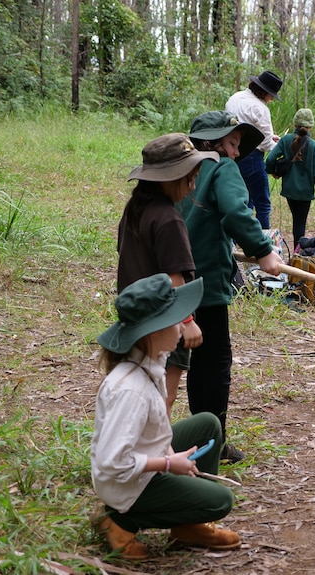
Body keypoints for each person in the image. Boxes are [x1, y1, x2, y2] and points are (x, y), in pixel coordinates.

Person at [91, 274, 241, 561]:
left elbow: (154, 428)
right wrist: (169, 463)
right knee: (221, 501)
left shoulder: (151, 361)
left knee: (208, 425)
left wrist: (169, 451)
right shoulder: (131, 390)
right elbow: (113, 462)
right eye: (176, 320)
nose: (183, 324)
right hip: (126, 485)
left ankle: (189, 526)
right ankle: (121, 522)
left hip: (142, 465)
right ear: (153, 331)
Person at [181, 110, 283, 463]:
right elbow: (236, 213)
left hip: (169, 280)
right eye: (234, 144)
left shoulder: (176, 172)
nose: (237, 153)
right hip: (204, 283)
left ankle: (194, 438)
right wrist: (263, 251)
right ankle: (212, 444)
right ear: (215, 143)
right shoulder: (223, 169)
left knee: (188, 363)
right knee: (214, 362)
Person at [118, 133, 218, 420]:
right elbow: (176, 277)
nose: (193, 186)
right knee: (165, 395)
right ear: (169, 178)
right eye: (189, 179)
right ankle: (157, 457)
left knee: (141, 386)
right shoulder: (169, 220)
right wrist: (186, 322)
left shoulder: (135, 210)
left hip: (135, 315)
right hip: (164, 321)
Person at [225, 70, 284, 229]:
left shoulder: (234, 98)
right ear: (264, 92)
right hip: (251, 157)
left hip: (230, 154)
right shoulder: (260, 108)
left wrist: (270, 138)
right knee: (262, 202)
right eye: (271, 95)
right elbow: (265, 144)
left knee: (242, 201)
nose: (271, 99)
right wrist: (280, 145)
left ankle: (238, 241)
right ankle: (264, 242)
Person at [265, 108, 315, 245]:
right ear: (310, 126)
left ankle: (296, 251)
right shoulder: (314, 146)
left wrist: (273, 172)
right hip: (305, 193)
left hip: (289, 190)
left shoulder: (285, 140)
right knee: (300, 223)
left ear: (294, 124)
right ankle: (297, 254)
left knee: (296, 219)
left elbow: (270, 159)